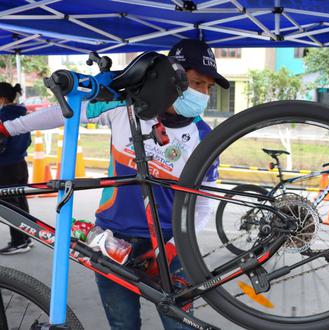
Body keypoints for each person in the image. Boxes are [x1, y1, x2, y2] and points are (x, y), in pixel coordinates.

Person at [0, 40, 229, 329]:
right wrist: (7, 128)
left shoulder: (204, 137)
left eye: (208, 87)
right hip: (112, 240)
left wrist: (174, 247)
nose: (203, 94)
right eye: (197, 83)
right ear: (173, 79)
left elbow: (204, 204)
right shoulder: (125, 108)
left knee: (181, 326)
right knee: (122, 325)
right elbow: (63, 112)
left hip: (170, 248)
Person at [0, 83, 33, 255]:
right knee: (20, 201)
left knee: (9, 205)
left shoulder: (3, 115)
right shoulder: (22, 113)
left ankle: (19, 242)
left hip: (5, 167)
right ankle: (26, 236)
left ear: (2, 99)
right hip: (20, 163)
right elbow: (28, 140)